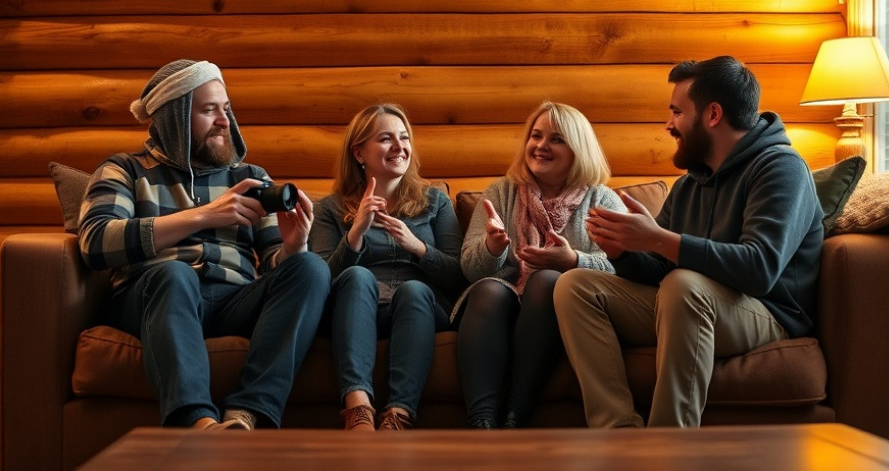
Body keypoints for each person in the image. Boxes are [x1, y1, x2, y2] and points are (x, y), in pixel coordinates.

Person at [554, 56, 824, 428]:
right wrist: (623, 252)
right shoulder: (689, 185)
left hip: (765, 312)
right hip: (688, 302)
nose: (669, 125)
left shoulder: (781, 167)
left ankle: (669, 446)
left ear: (712, 115)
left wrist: (660, 239)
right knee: (575, 285)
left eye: (677, 112)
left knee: (683, 285)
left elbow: (760, 269)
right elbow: (660, 269)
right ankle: (618, 433)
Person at [78, 59, 331, 430]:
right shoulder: (125, 170)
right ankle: (197, 424)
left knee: (311, 267)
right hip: (157, 295)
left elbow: (276, 266)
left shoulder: (250, 178)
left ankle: (248, 414)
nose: (224, 121)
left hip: (233, 300)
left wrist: (294, 247)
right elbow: (96, 241)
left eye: (226, 109)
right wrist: (203, 216)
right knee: (175, 274)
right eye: (210, 110)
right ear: (174, 118)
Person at [452, 101, 627, 429]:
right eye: (536, 136)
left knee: (547, 280)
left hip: (559, 311)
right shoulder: (500, 192)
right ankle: (481, 423)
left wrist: (573, 261)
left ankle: (515, 417)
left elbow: (627, 267)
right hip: (498, 305)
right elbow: (470, 270)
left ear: (578, 149)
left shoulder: (602, 201)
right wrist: (491, 248)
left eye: (556, 139)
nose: (541, 145)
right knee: (489, 290)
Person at [310, 103, 467, 431]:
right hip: (355, 310)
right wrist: (356, 233)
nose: (399, 146)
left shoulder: (435, 201)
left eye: (404, 137)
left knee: (414, 290)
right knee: (357, 276)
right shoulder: (330, 209)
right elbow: (319, 280)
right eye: (385, 139)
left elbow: (457, 275)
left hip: (419, 310)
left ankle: (399, 413)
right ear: (359, 153)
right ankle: (358, 409)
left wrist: (418, 247)